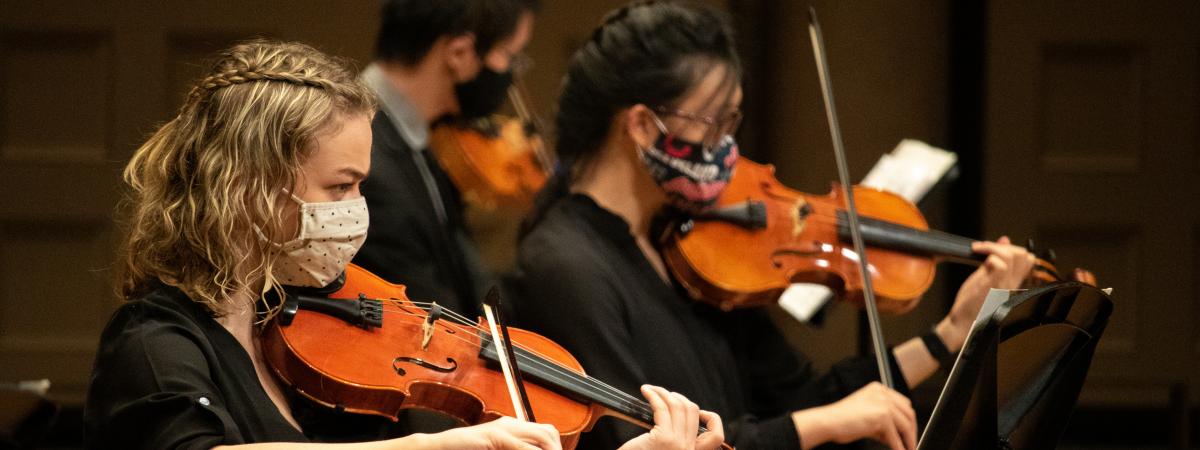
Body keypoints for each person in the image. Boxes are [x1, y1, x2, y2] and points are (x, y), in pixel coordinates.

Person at [83, 39, 725, 450]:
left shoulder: (306, 325)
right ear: (247, 188)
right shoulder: (154, 344)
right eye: (341, 186)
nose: (356, 212)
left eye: (362, 185)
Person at [510, 2, 1037, 450]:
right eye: (715, 123)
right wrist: (821, 425)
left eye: (733, 123)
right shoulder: (565, 264)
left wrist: (950, 334)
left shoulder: (690, 247)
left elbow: (806, 399)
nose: (727, 147)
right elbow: (637, 439)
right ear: (645, 126)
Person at [353, 0, 538, 315]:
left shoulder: (418, 138)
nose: (509, 74)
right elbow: (434, 311)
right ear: (459, 53)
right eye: (508, 56)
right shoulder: (365, 160)